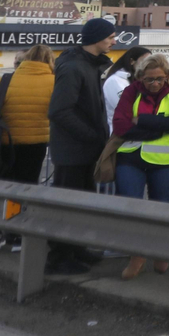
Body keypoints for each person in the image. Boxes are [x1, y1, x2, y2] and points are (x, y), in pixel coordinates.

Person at [46, 17, 118, 275]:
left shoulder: (88, 65)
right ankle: (58, 257)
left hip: (84, 151)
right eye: (110, 37)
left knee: (81, 203)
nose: (114, 40)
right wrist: (92, 136)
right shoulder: (74, 67)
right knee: (67, 204)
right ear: (97, 39)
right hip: (72, 152)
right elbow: (59, 111)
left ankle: (75, 249)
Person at [109, 53, 169, 280]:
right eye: (149, 80)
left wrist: (142, 121)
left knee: (161, 208)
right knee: (130, 207)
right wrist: (160, 128)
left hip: (164, 161)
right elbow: (121, 126)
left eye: (159, 79)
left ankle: (160, 252)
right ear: (140, 77)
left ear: (166, 76)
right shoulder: (130, 91)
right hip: (130, 157)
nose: (154, 84)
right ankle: (137, 255)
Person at [0, 43, 57, 253]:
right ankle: (18, 235)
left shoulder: (4, 80)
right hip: (35, 143)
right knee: (26, 186)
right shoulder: (54, 82)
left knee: (3, 186)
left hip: (4, 141)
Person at [102, 46, 152, 132]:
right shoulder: (115, 81)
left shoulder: (137, 81)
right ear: (132, 61)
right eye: (145, 61)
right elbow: (128, 109)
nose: (148, 66)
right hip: (120, 134)